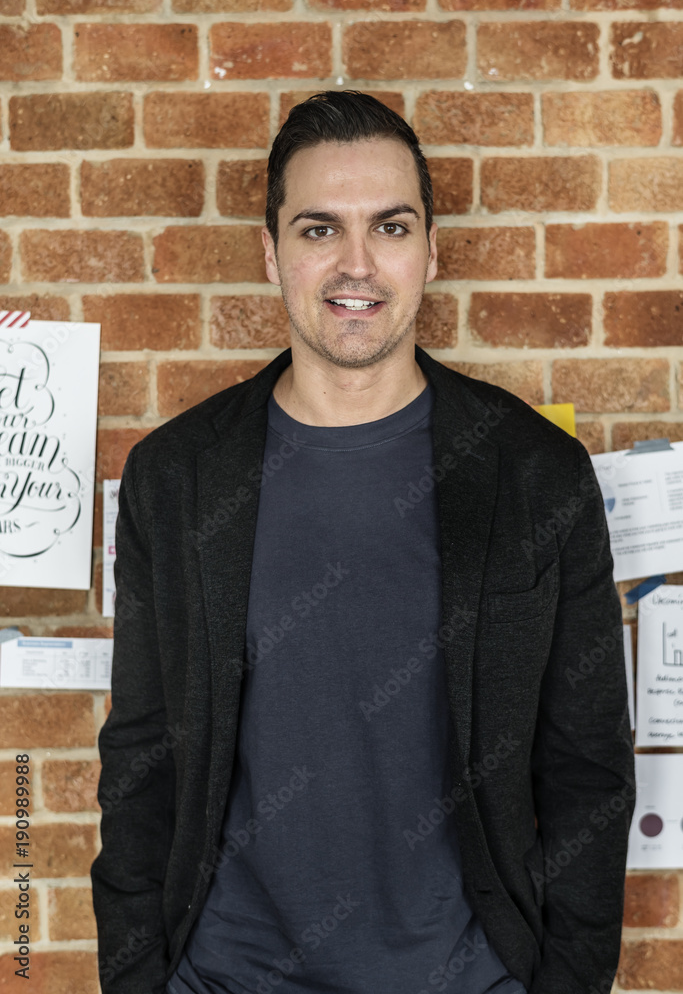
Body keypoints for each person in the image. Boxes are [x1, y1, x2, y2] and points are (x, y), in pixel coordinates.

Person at [91, 90, 635, 994]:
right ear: (270, 253)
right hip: (224, 976)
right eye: (317, 230)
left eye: (388, 226)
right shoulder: (178, 478)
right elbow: (141, 755)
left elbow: (585, 764)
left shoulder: (535, 474)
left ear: (431, 248)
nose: (356, 264)